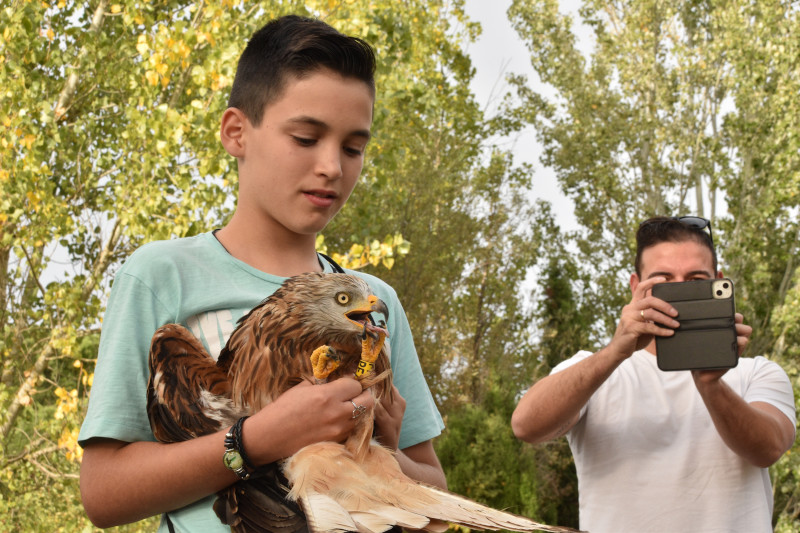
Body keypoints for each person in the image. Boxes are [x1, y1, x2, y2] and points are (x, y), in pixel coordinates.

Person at [78, 15, 446, 532]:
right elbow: (103, 494)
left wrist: (384, 453)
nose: (332, 167)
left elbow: (435, 499)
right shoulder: (161, 276)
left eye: (353, 147)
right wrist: (253, 441)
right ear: (236, 133)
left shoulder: (374, 302)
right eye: (305, 137)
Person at [511, 216, 796, 533]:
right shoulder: (596, 369)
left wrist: (710, 385)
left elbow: (767, 450)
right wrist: (616, 350)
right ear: (636, 287)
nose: (679, 291)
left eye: (695, 279)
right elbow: (526, 426)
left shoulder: (757, 372)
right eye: (664, 280)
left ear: (718, 281)